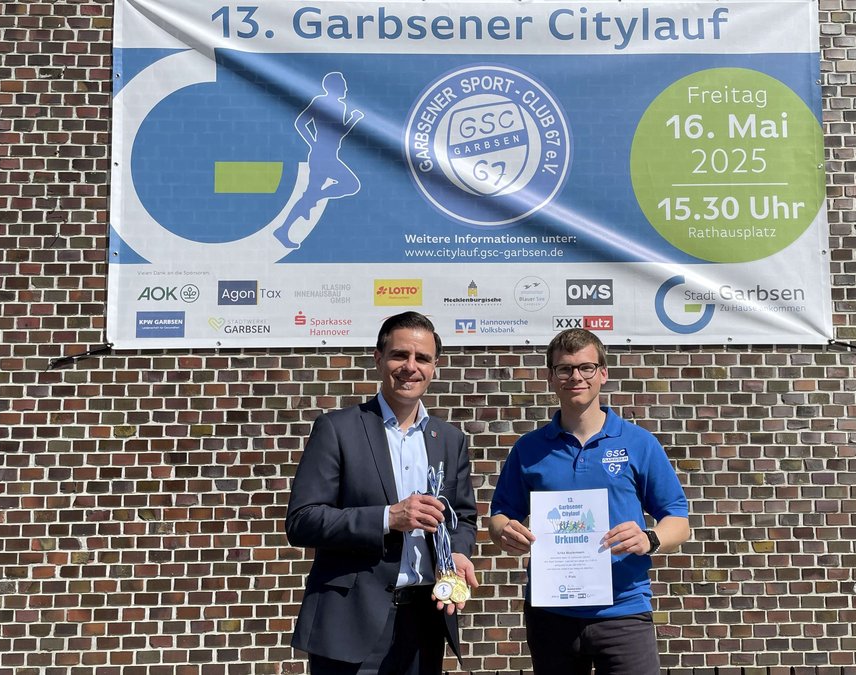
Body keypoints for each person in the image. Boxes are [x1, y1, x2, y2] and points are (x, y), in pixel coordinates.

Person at [488, 328, 690, 675]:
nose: (575, 377)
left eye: (586, 367)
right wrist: (505, 530)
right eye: (564, 369)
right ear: (551, 377)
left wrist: (650, 538)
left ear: (603, 374)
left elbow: (678, 519)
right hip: (551, 613)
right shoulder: (529, 448)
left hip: (624, 611)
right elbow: (499, 515)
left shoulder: (639, 443)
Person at [286, 311, 478, 674]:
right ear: (378, 358)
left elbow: (463, 517)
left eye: (422, 358)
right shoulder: (337, 429)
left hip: (425, 621)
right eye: (399, 355)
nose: (410, 367)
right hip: (350, 622)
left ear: (435, 366)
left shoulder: (449, 439)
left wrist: (458, 554)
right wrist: (389, 517)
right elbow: (302, 520)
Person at [275, 71, 364, 249]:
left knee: (311, 195)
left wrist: (353, 120)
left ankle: (283, 230)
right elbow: (300, 123)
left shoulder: (342, 106)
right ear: (334, 87)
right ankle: (286, 227)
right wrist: (313, 143)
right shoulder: (320, 102)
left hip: (329, 155)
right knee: (351, 185)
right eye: (343, 84)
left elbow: (339, 135)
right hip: (321, 156)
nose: (346, 87)